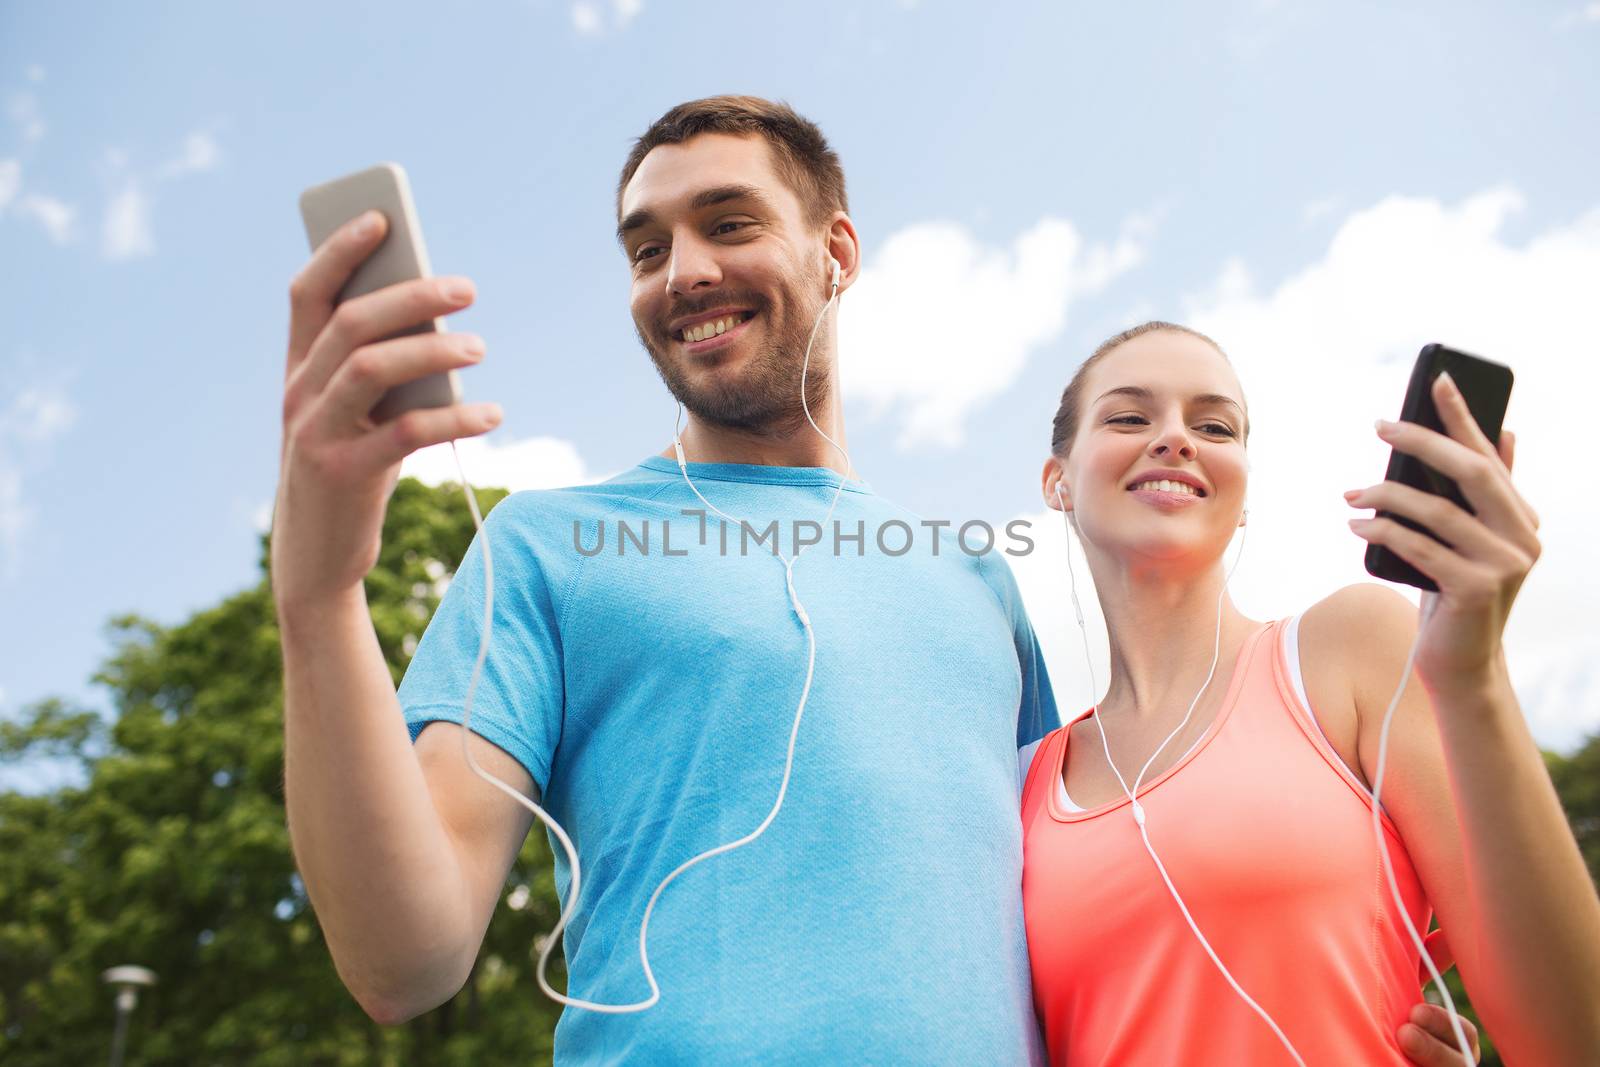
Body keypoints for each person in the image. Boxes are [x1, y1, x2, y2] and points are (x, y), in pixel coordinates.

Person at [273, 94, 1479, 1064]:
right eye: (647, 247)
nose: (681, 269)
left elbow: (1078, 925)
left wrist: (1367, 1020)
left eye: (727, 223)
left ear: (835, 249)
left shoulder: (970, 578)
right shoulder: (547, 546)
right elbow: (404, 960)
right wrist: (320, 598)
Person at [1023, 320, 1600, 1064]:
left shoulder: (1349, 650)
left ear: (1240, 488)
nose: (1175, 438)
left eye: (1214, 425)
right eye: (1129, 416)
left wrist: (1474, 676)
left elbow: (1575, 1040)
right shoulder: (1027, 783)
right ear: (1058, 481)